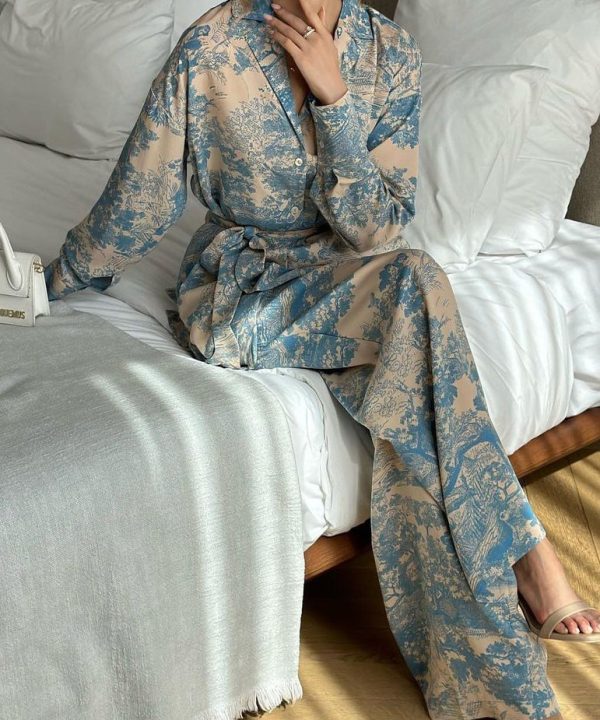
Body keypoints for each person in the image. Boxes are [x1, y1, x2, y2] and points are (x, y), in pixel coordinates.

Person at [44, 0, 600, 717]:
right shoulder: (212, 45)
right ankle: (522, 570)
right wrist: (47, 284)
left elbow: (378, 229)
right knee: (416, 292)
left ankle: (499, 611)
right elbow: (138, 203)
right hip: (245, 291)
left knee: (413, 314)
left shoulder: (389, 52)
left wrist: (335, 100)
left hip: (351, 277)